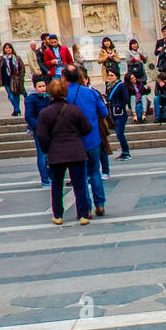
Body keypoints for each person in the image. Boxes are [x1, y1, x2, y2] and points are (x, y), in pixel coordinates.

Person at [35, 78, 92, 226]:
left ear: (50, 93)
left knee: (57, 185)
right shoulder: (74, 110)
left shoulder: (45, 113)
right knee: (79, 184)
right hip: (76, 151)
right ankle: (83, 214)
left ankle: (58, 215)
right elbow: (87, 128)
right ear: (65, 92)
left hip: (56, 152)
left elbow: (41, 135)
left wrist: (47, 148)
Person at [62, 65, 108, 217]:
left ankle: (85, 208)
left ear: (64, 78)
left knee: (79, 175)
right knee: (95, 171)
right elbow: (104, 112)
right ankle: (100, 204)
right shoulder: (91, 92)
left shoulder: (63, 95)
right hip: (93, 138)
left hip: (74, 141)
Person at [24, 75, 51, 185]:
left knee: (50, 154)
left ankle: (50, 176)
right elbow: (29, 116)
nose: (42, 88)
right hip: (39, 130)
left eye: (44, 86)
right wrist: (39, 127)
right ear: (35, 87)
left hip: (50, 129)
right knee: (42, 154)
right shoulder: (31, 98)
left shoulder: (48, 97)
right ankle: (45, 179)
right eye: (40, 86)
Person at [107, 73, 133, 160]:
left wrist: (119, 106)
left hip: (120, 114)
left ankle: (126, 152)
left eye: (112, 75)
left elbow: (126, 98)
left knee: (120, 134)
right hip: (113, 113)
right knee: (119, 134)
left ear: (116, 76)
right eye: (109, 75)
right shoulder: (109, 86)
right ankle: (124, 152)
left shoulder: (121, 85)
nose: (110, 77)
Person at [0, 42, 26, 116]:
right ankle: (17, 109)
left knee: (16, 94)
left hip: (15, 79)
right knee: (10, 95)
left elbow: (22, 68)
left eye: (9, 48)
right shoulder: (1, 59)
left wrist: (21, 77)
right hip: (6, 79)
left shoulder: (17, 58)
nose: (8, 49)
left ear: (12, 49)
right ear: (4, 49)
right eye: (6, 48)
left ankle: (16, 109)